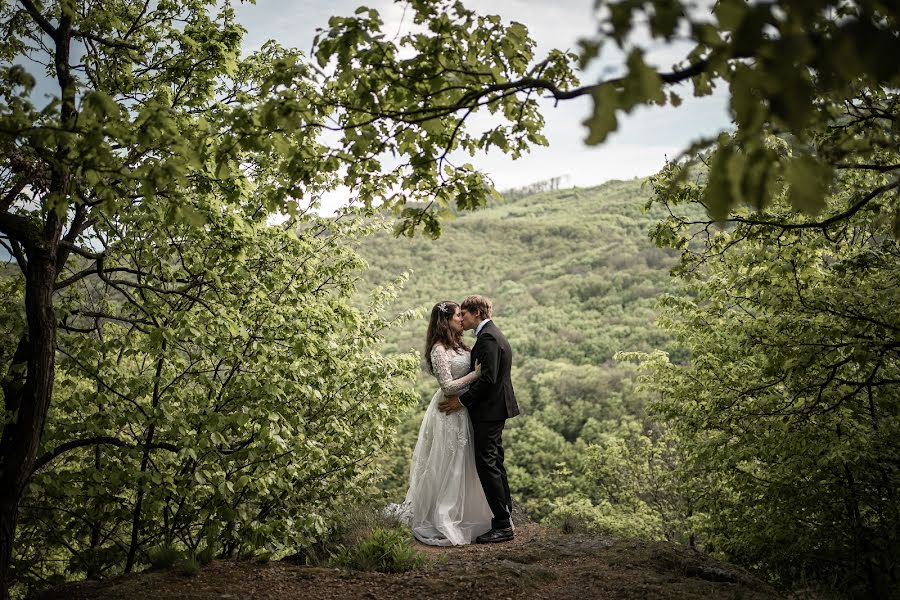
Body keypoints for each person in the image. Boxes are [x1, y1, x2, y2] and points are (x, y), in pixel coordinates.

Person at [396, 301, 493, 545]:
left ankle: (468, 511)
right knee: (449, 462)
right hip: (449, 411)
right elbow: (447, 386)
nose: (462, 319)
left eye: (463, 314)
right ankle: (442, 514)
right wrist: (475, 375)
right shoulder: (438, 349)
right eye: (457, 316)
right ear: (445, 320)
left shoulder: (459, 345)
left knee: (465, 460)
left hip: (464, 409)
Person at [439, 294, 519, 544]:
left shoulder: (488, 339)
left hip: (489, 411)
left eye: (464, 314)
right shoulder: (490, 335)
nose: (461, 319)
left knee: (487, 464)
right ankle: (505, 513)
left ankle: (503, 524)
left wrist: (460, 402)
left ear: (477, 313)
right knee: (495, 460)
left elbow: (487, 379)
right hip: (494, 410)